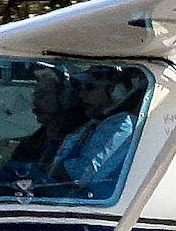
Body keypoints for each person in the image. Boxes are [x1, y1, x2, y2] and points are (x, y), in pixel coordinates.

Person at [0, 65, 84, 195]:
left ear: (65, 98)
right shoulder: (35, 141)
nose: (35, 102)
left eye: (42, 95)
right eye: (35, 95)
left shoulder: (78, 139)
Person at [43, 65, 143, 199]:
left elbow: (80, 175)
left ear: (116, 91)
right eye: (81, 88)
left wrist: (47, 172)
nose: (82, 95)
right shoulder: (93, 122)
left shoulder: (121, 123)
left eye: (90, 88)